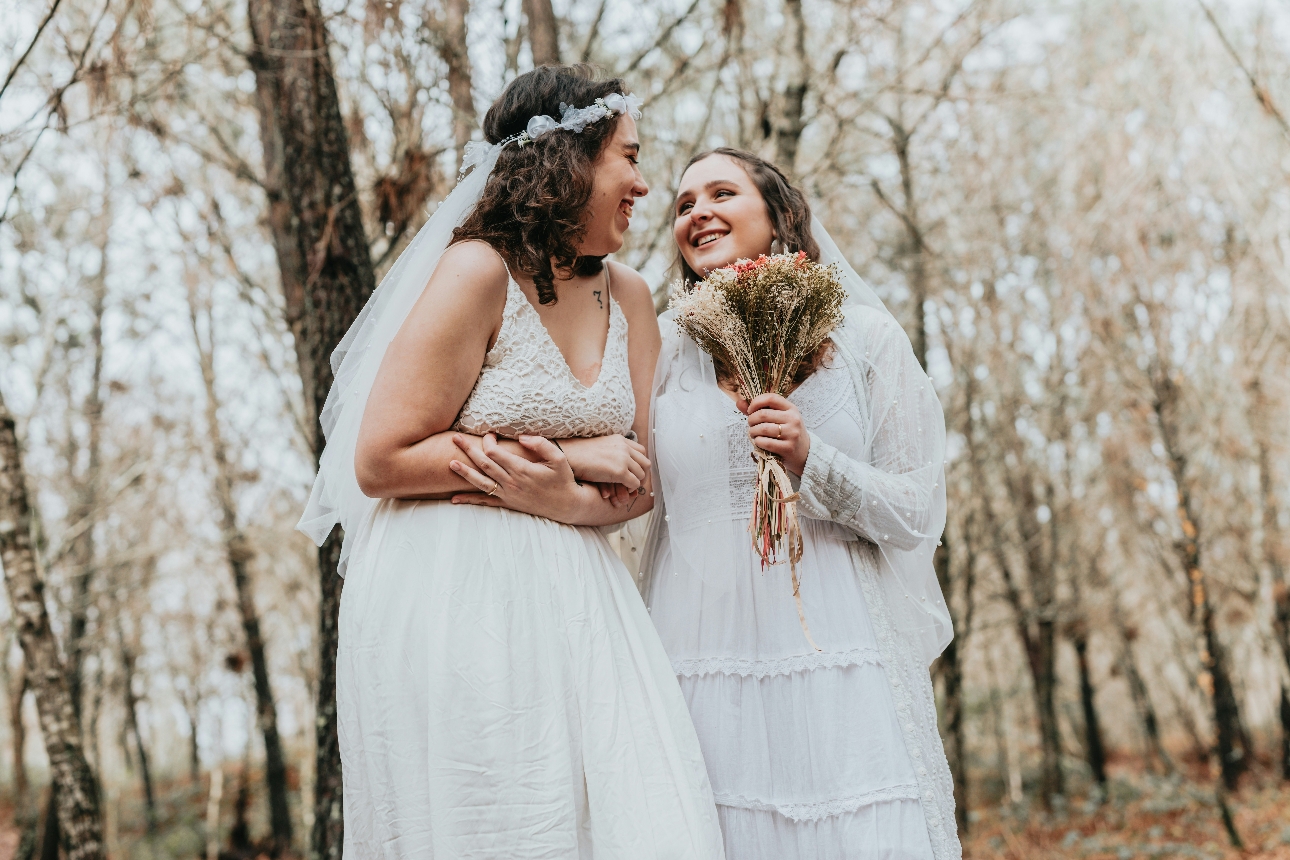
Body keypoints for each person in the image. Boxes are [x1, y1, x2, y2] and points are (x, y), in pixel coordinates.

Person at [297, 66, 723, 859]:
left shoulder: (631, 296)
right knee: (497, 816)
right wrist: (572, 455)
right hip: (457, 588)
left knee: (635, 809)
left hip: (585, 588)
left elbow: (639, 482)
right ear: (570, 160)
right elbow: (381, 459)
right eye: (628, 156)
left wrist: (568, 499)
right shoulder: (477, 271)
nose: (643, 182)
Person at [642, 148, 961, 859]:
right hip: (698, 659)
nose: (698, 213)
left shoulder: (866, 339)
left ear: (778, 213)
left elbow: (917, 511)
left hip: (838, 649)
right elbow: (634, 496)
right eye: (684, 205)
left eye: (721, 193)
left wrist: (813, 460)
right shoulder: (661, 349)